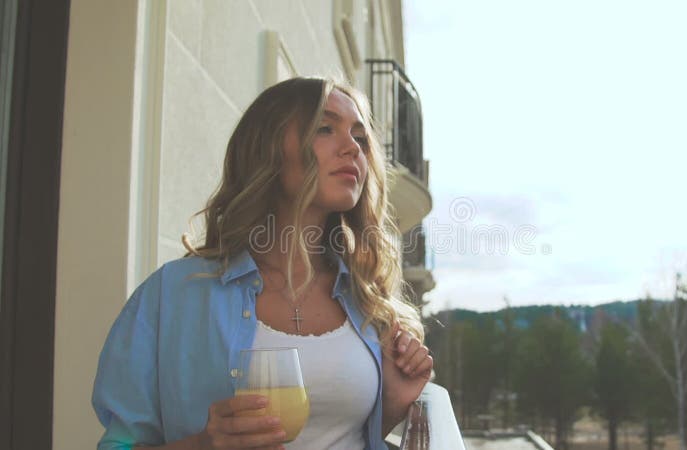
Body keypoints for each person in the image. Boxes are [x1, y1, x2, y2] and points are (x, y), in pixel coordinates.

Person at [92, 77, 433, 450]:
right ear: (266, 148)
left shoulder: (368, 304)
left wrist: (392, 405)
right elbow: (117, 445)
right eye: (324, 128)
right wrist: (205, 444)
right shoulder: (172, 295)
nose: (353, 147)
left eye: (360, 137)